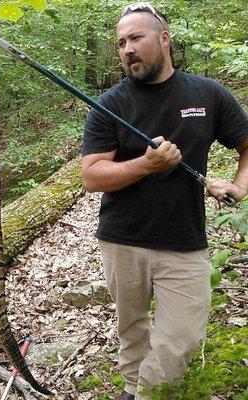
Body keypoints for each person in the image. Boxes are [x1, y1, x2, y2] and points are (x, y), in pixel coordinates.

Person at [81, 2, 248, 400]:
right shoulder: (111, 104)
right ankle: (132, 386)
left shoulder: (207, 94)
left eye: (136, 38)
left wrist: (240, 186)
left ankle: (147, 393)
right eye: (121, 42)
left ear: (164, 37)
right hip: (123, 238)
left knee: (183, 337)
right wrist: (146, 164)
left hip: (184, 239)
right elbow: (91, 176)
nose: (128, 49)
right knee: (132, 327)